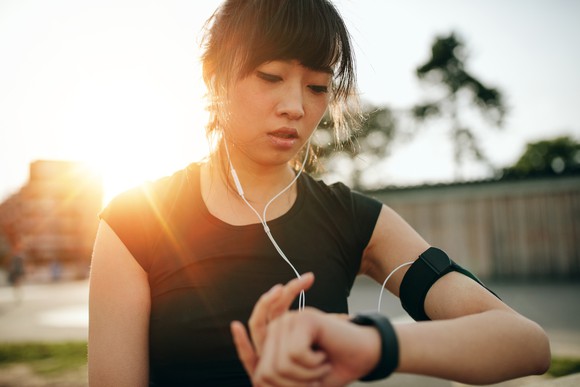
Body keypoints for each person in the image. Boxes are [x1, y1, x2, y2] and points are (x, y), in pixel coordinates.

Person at [88, 0, 551, 386]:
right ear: (215, 77)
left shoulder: (353, 219)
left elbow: (525, 343)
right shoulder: (136, 220)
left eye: (317, 87)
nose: (295, 107)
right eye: (270, 77)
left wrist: (371, 342)